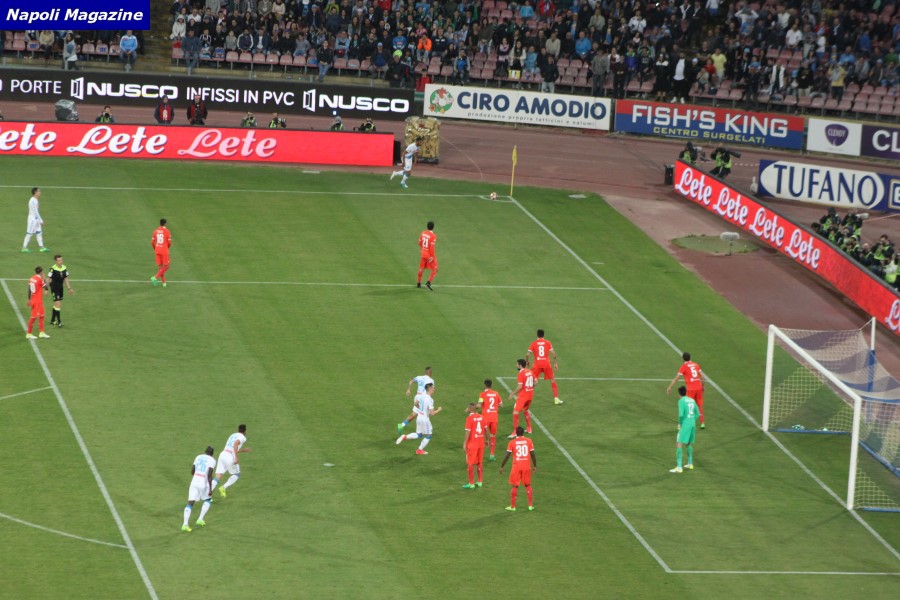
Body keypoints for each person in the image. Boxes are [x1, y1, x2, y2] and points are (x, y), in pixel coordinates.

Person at [395, 382, 442, 455]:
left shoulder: (422, 395)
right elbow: (432, 413)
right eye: (433, 387)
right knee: (429, 435)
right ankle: (419, 450)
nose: (434, 389)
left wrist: (420, 409)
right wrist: (438, 410)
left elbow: (415, 403)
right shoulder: (430, 400)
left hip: (419, 417)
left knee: (419, 434)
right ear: (429, 389)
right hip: (425, 420)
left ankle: (404, 437)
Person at [499, 426, 536, 511]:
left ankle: (513, 506)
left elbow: (507, 456)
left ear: (516, 433)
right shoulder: (529, 441)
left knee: (515, 486)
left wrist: (502, 466)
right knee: (528, 485)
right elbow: (533, 454)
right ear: (523, 433)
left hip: (516, 467)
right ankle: (530, 506)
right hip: (526, 466)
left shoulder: (512, 442)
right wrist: (535, 466)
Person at [667, 352, 707, 428]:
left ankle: (684, 423)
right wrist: (702, 386)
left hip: (691, 389)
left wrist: (670, 387)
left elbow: (676, 378)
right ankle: (702, 423)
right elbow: (703, 377)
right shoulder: (696, 365)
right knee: (699, 406)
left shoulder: (684, 366)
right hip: (698, 387)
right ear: (690, 357)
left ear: (683, 358)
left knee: (688, 406)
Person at [211, 424, 251, 497]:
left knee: (218, 476)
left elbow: (232, 448)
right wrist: (236, 458)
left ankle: (207, 496)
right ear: (245, 431)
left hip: (223, 454)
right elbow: (235, 444)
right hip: (229, 457)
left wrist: (243, 450)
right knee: (236, 474)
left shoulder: (232, 435)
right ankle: (223, 487)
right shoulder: (243, 437)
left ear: (238, 429)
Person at [182, 446, 215, 532]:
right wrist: (210, 489)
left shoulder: (198, 457)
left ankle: (185, 525)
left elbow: (192, 471)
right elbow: (209, 475)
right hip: (203, 482)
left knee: (190, 503)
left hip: (194, 481)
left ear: (205, 451)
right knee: (207, 499)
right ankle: (200, 519)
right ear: (212, 454)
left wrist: (197, 475)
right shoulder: (212, 460)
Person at [527, 329, 561, 405]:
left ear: (537, 335)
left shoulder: (534, 343)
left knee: (531, 381)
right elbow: (554, 354)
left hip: (537, 364)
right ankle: (556, 399)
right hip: (546, 364)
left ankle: (526, 398)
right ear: (543, 335)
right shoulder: (548, 342)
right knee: (552, 380)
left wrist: (527, 361)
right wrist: (555, 363)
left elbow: (527, 354)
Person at [669, 386, 699, 473]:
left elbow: (681, 415)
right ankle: (690, 463)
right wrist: (691, 420)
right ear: (686, 392)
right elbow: (697, 413)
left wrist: (680, 424)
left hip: (685, 425)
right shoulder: (692, 400)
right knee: (688, 443)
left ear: (679, 394)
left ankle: (679, 467)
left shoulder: (681, 401)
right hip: (692, 424)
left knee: (678, 443)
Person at [397, 367, 435, 433]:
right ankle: (425, 431)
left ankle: (402, 425)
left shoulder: (419, 377)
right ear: (430, 373)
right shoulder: (431, 380)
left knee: (416, 414)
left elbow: (411, 381)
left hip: (417, 397)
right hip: (423, 398)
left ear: (425, 372)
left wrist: (408, 389)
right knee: (423, 413)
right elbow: (432, 390)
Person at [507, 359, 535, 437]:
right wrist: (530, 388)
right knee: (525, 410)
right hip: (530, 395)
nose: (516, 365)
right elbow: (536, 382)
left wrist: (512, 394)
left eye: (517, 364)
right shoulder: (530, 371)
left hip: (523, 396)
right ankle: (529, 428)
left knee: (515, 412)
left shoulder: (521, 373)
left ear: (520, 365)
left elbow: (520, 386)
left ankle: (515, 432)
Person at [462, 403, 485, 489]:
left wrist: (464, 443)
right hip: (481, 443)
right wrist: (487, 440)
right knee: (479, 463)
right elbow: (486, 429)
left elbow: (467, 432)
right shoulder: (482, 417)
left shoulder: (469, 418)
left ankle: (471, 484)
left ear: (469, 409)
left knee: (470, 464)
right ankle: (480, 482)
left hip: (473, 444)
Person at [478, 379, 503, 461]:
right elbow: (501, 405)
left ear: (485, 385)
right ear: (491, 385)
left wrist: (470, 408)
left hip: (486, 418)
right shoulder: (496, 393)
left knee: (481, 435)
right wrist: (494, 406)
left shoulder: (482, 394)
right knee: (493, 436)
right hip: (494, 418)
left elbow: (479, 405)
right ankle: (492, 455)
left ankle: (480, 453)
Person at [48, 254, 74, 328]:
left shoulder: (64, 268)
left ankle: (52, 320)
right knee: (58, 304)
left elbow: (66, 279)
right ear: (56, 261)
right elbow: (48, 278)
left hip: (60, 288)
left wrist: (69, 288)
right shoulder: (52, 269)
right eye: (59, 260)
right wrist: (46, 288)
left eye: (61, 260)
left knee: (56, 304)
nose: (61, 261)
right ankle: (59, 322)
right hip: (54, 288)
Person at [26, 266, 51, 340]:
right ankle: (29, 333)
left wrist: (29, 299)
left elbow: (29, 289)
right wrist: (44, 278)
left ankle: (41, 332)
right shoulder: (39, 279)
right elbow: (46, 287)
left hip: (33, 299)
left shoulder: (32, 278)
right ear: (41, 272)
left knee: (42, 316)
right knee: (33, 317)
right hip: (38, 301)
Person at [22, 187, 49, 253]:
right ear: (35, 193)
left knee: (39, 232)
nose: (40, 192)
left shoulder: (35, 200)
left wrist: (38, 220)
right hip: (32, 219)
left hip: (36, 219)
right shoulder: (33, 201)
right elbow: (35, 212)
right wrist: (41, 220)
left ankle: (41, 247)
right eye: (39, 191)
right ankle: (24, 248)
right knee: (29, 233)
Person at [415, 221, 437, 290]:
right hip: (429, 255)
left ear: (427, 226)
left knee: (421, 268)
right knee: (435, 269)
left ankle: (418, 283)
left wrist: (423, 250)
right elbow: (431, 248)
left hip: (423, 253)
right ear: (433, 227)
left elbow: (419, 243)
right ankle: (429, 282)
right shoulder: (433, 236)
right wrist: (432, 257)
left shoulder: (423, 233)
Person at [150, 218, 172, 287]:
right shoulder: (167, 231)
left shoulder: (155, 231)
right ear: (165, 223)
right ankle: (155, 277)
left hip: (157, 249)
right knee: (166, 266)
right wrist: (167, 248)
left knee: (160, 267)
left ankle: (164, 283)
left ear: (160, 223)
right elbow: (169, 242)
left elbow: (152, 242)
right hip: (164, 250)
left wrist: (155, 248)